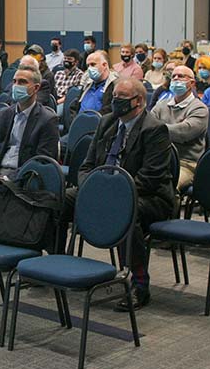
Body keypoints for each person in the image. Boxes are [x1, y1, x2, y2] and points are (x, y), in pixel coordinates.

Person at [73, 77, 173, 309]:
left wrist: (113, 194)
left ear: (138, 101)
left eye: (121, 98)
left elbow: (150, 178)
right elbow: (87, 166)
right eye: (114, 96)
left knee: (126, 213)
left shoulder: (155, 129)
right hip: (104, 190)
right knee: (62, 200)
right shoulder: (107, 122)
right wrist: (91, 189)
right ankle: (57, 263)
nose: (115, 101)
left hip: (150, 197)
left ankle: (139, 285)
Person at [0, 67, 59, 179]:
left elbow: (40, 160)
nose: (16, 85)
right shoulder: (4, 114)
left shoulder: (47, 120)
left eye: (22, 82)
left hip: (23, 177)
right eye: (14, 81)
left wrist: (10, 178)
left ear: (36, 88)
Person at [152, 66, 208, 191]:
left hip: (186, 163)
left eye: (181, 76)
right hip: (160, 159)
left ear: (192, 83)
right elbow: (148, 126)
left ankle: (171, 210)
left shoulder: (199, 108)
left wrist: (157, 129)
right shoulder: (162, 104)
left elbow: (183, 133)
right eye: (173, 76)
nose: (176, 78)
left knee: (168, 187)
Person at [75, 50, 117, 115]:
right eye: (88, 65)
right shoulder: (87, 84)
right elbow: (75, 106)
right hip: (79, 121)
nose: (89, 68)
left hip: (99, 122)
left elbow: (110, 110)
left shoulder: (115, 84)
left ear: (104, 65)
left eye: (92, 64)